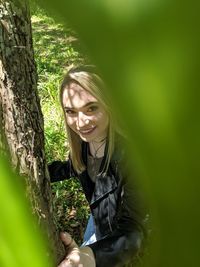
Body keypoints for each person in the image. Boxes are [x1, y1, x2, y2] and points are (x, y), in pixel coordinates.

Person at [48, 65, 147, 267]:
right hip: (99, 221)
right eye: (71, 111)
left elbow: (133, 231)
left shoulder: (134, 159)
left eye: (91, 108)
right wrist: (39, 174)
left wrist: (91, 257)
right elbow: (74, 167)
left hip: (121, 241)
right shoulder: (84, 145)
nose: (81, 122)